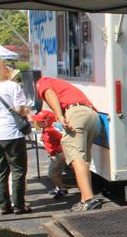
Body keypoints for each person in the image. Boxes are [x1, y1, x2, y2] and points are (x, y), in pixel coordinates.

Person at [35, 76, 101, 211]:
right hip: (93, 116)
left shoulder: (43, 81)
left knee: (75, 158)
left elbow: (49, 93)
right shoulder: (64, 86)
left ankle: (88, 199)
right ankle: (84, 200)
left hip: (76, 114)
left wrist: (60, 117)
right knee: (83, 160)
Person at [0, 57, 31, 214]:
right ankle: (19, 205)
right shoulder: (12, 86)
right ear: (2, 68)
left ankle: (4, 205)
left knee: (1, 171)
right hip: (12, 133)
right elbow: (19, 109)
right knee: (18, 170)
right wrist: (26, 112)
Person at [32, 109, 69, 198]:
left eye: (39, 121)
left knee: (52, 174)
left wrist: (55, 152)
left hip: (57, 155)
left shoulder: (51, 131)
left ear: (45, 122)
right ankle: (58, 187)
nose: (36, 122)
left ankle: (61, 189)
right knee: (56, 173)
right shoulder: (47, 130)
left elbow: (62, 139)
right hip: (55, 154)